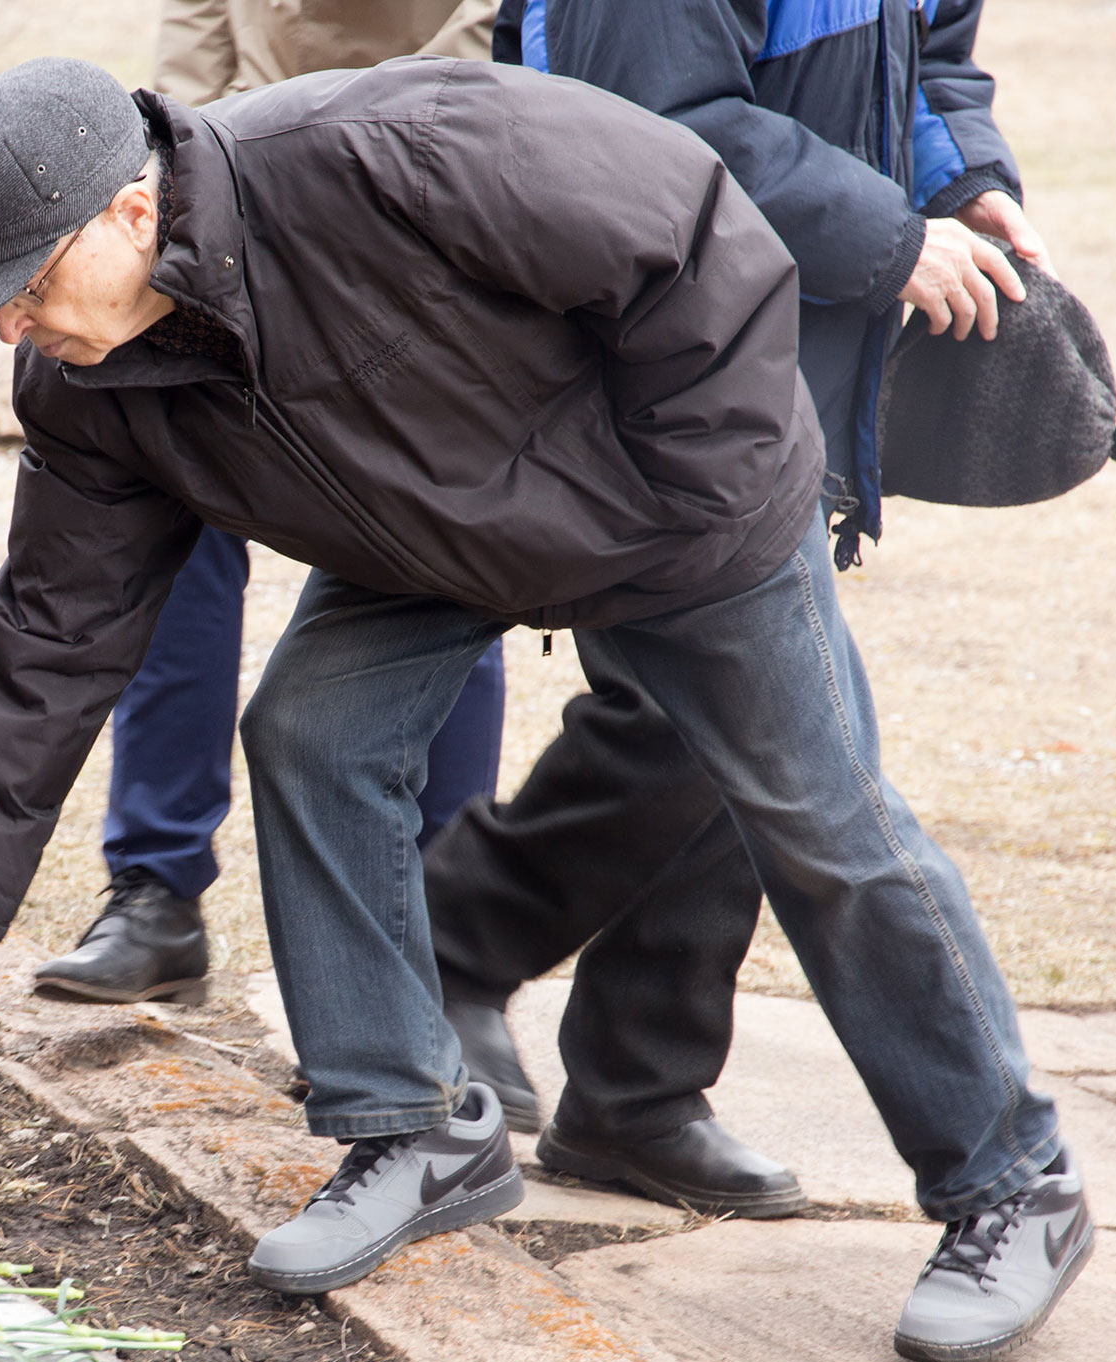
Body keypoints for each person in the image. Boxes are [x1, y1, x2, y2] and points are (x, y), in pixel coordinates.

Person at [0, 55, 1090, 1362]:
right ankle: (418, 1127)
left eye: (24, 288)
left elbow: (691, 226)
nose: (7, 330)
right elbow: (49, 637)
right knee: (312, 733)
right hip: (431, 544)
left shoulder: (394, 148)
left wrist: (687, 502)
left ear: (130, 214)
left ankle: (1014, 1185)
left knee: (819, 818)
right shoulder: (87, 382)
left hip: (676, 507)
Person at [416, 0, 1051, 1216]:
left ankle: (631, 1087)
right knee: (704, 725)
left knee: (701, 731)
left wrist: (961, 180)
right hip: (650, 358)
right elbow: (647, 130)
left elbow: (920, 59)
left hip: (781, 350)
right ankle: (456, 954)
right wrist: (882, 232)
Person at [34, 0, 508, 1009]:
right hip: (223, 200)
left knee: (444, 555)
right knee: (166, 529)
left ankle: (444, 933)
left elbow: (483, 29)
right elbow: (198, 20)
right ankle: (154, 891)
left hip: (409, 196)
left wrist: (368, 174)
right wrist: (194, 186)